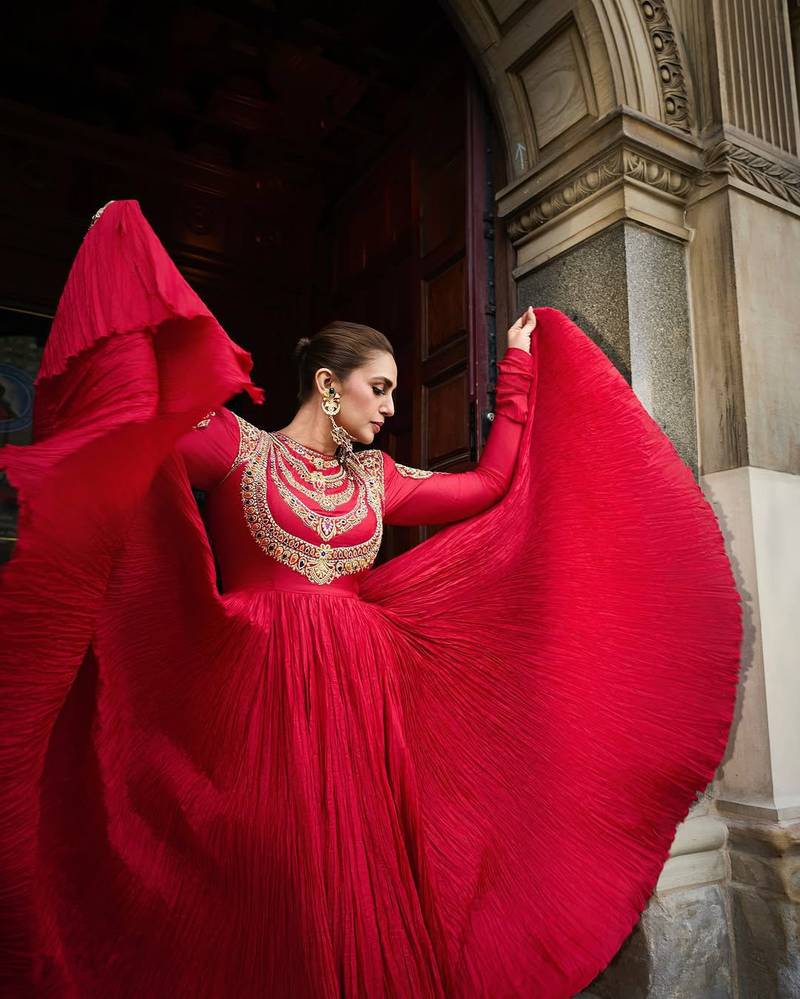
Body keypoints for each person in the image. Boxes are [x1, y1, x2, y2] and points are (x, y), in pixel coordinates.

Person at [0, 201, 743, 998]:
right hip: (252, 708)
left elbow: (488, 485)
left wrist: (520, 368)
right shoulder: (235, 448)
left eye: (392, 391)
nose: (390, 407)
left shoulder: (376, 479)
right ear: (328, 384)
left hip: (362, 704)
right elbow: (136, 423)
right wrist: (112, 273)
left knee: (360, 876)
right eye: (379, 388)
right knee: (274, 885)